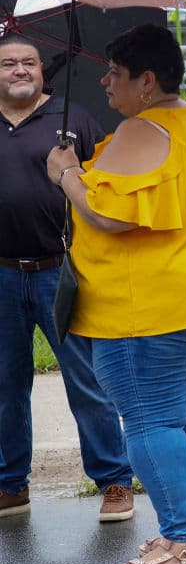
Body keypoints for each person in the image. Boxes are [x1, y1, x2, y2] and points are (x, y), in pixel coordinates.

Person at [46, 24, 186, 564]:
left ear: (146, 81)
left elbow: (109, 214)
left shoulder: (142, 130)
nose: (105, 82)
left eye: (114, 73)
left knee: (149, 423)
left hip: (149, 310)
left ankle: (179, 544)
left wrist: (67, 175)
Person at [0, 35, 135, 521]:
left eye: (29, 63)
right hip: (2, 274)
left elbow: (108, 185)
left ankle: (114, 480)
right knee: (5, 385)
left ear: (43, 71)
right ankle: (9, 484)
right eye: (8, 64)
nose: (20, 70)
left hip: (62, 271)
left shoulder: (72, 119)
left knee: (87, 380)